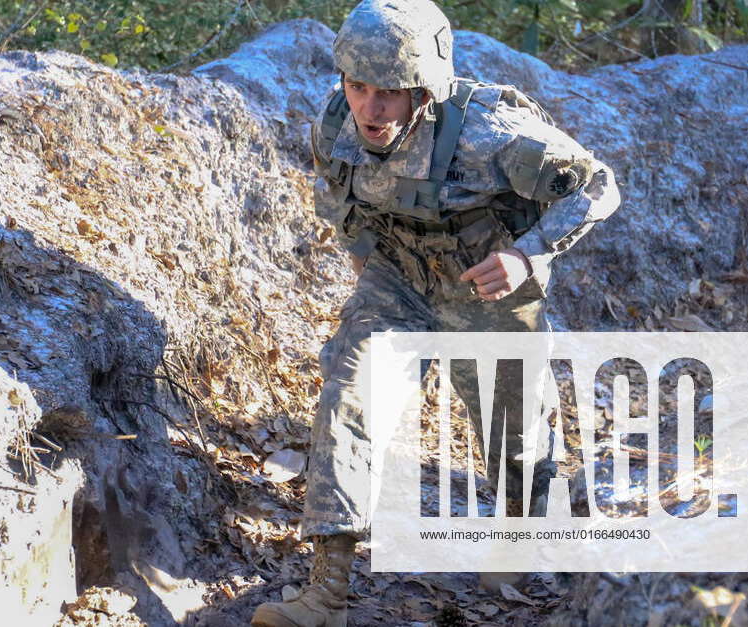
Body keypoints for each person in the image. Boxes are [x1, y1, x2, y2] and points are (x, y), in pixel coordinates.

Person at [251, 1, 621, 625]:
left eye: (389, 94)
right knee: (350, 396)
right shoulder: (338, 119)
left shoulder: (490, 134)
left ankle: (519, 525)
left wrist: (529, 258)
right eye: (358, 86)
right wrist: (367, 258)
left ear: (422, 90)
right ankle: (327, 594)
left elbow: (597, 185)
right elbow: (336, 194)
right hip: (399, 278)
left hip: (488, 285)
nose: (371, 108)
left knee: (513, 430)